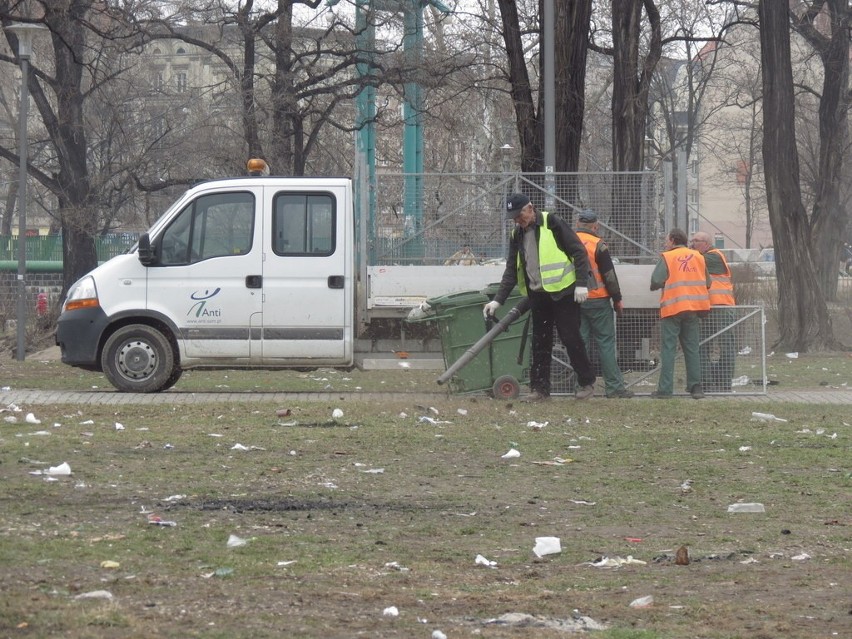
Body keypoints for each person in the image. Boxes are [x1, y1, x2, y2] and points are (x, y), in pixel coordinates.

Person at [483, 193, 596, 401]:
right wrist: (498, 300)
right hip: (538, 295)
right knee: (539, 342)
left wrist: (581, 284)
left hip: (564, 292)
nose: (518, 220)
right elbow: (511, 269)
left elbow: (579, 252)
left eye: (520, 215)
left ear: (530, 208)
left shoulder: (552, 223)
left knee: (570, 337)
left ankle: (587, 382)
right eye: (514, 217)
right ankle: (540, 390)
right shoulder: (516, 235)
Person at [574, 210, 633, 398]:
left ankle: (582, 387)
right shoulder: (598, 245)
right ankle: (614, 388)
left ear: (577, 223)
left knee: (579, 344)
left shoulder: (567, 242)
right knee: (606, 343)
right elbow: (609, 276)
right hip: (598, 300)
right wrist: (617, 299)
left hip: (575, 300)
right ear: (595, 225)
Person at [650, 228, 710, 399]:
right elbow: (708, 282)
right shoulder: (698, 256)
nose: (665, 243)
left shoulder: (667, 257)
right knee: (692, 348)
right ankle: (695, 387)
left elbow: (655, 280)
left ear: (673, 240)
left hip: (673, 309)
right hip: (693, 308)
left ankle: (665, 390)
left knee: (668, 349)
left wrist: (659, 285)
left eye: (667, 240)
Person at [690, 231, 736, 392]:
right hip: (707, 308)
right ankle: (707, 382)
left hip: (721, 307)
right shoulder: (703, 256)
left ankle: (724, 383)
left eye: (697, 241)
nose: (693, 243)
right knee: (703, 345)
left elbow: (694, 262)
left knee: (725, 345)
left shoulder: (714, 256)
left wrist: (682, 253)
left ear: (707, 243)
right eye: (692, 240)